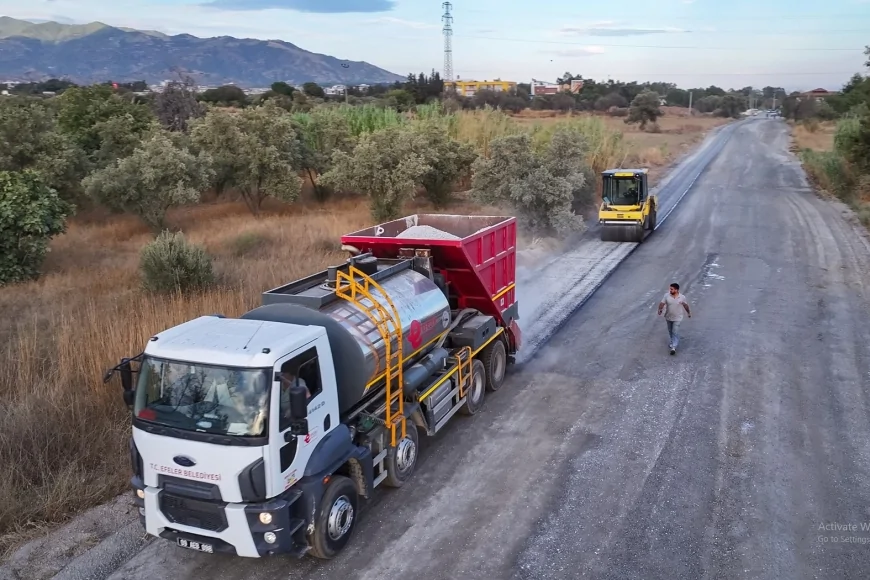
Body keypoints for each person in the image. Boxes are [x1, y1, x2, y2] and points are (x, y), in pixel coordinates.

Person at [657, 282, 691, 355]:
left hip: (678, 317)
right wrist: (660, 310)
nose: (670, 290)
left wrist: (688, 313)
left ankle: (673, 347)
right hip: (668, 316)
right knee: (670, 331)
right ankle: (673, 342)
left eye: (672, 289)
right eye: (670, 289)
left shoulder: (682, 297)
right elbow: (662, 303)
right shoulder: (666, 295)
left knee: (675, 331)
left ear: (676, 290)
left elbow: (685, 305)